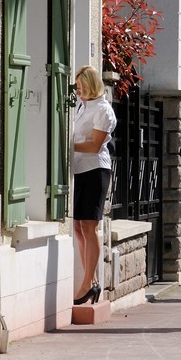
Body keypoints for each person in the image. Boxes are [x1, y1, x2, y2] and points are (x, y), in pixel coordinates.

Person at [71, 65, 116, 305]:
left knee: (89, 227)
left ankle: (87, 283)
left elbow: (94, 146)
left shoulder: (103, 110)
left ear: (92, 85)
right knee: (78, 228)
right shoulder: (83, 106)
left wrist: (67, 146)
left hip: (95, 170)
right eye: (77, 88)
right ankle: (92, 281)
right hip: (80, 169)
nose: (78, 91)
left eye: (81, 87)